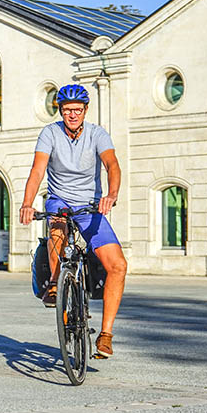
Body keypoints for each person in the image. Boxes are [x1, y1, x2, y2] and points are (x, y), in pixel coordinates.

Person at [19, 84, 127, 359]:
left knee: (118, 265)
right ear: (61, 111)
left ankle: (105, 335)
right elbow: (38, 170)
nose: (73, 115)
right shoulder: (50, 133)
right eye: (67, 111)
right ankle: (56, 284)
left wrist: (112, 195)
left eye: (77, 110)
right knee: (57, 227)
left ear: (85, 110)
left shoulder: (97, 134)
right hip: (61, 201)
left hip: (91, 206)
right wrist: (27, 203)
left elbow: (112, 164)